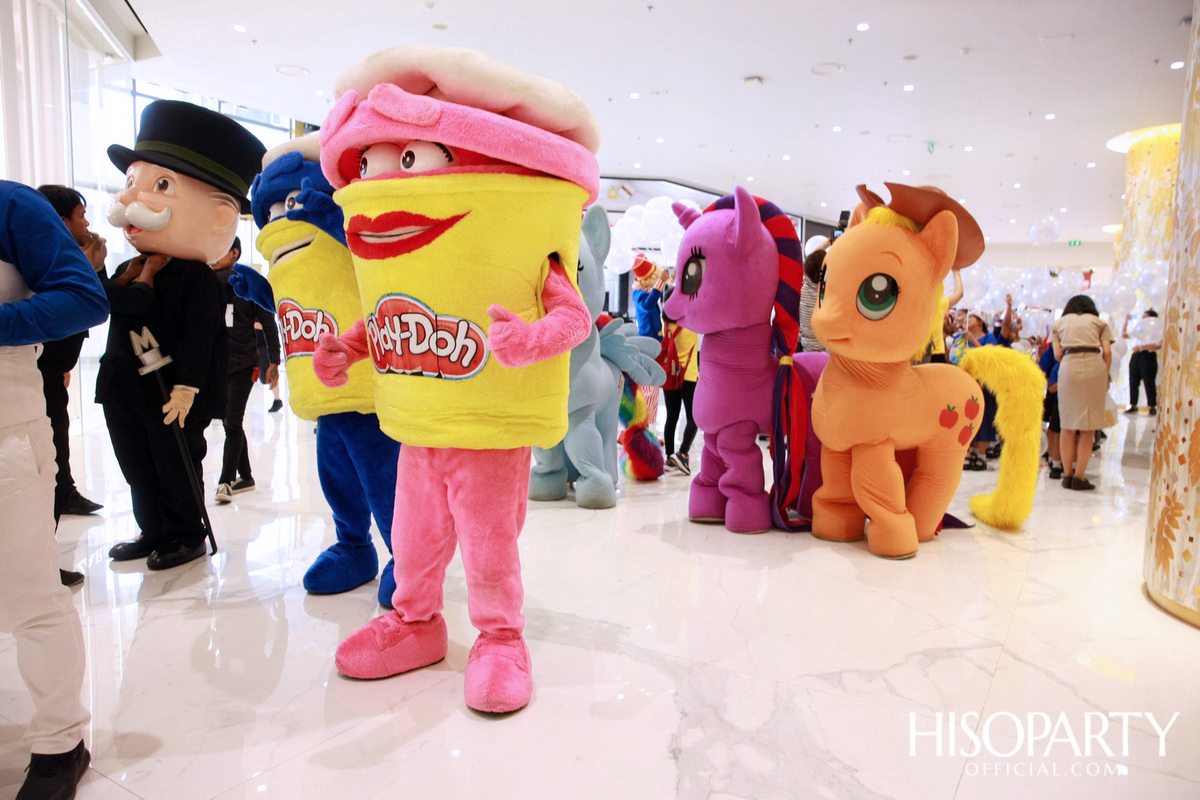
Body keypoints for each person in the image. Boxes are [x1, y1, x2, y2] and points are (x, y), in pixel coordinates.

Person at [99, 99, 263, 570]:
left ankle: (185, 533)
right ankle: (152, 530)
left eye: (160, 185)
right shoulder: (130, 268)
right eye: (131, 181)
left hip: (170, 391)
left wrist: (188, 386)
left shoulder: (196, 278)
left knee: (175, 463)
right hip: (125, 387)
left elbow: (200, 337)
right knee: (136, 464)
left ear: (220, 216)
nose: (130, 197)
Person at [0, 179, 109, 800]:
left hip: (7, 427)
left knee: (29, 590)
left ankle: (59, 742)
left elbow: (83, 298)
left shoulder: (10, 205)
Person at [33, 185, 107, 520]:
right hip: (37, 371)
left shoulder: (68, 256)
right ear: (62, 221)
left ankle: (63, 492)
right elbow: (71, 306)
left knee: (57, 434)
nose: (87, 223)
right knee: (46, 442)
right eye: (81, 216)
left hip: (53, 369)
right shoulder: (42, 257)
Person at [210, 237, 280, 503]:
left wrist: (274, 361)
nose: (213, 257)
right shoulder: (209, 283)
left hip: (244, 365)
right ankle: (246, 477)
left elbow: (269, 323)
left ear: (235, 253)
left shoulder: (247, 283)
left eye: (220, 251)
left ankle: (225, 482)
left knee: (232, 421)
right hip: (218, 366)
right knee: (230, 423)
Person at [1050, 294, 1114, 491]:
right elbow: (1107, 352)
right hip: (1095, 366)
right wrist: (1105, 375)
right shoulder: (1099, 323)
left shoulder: (1059, 324)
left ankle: (1067, 475)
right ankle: (1079, 476)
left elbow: (1057, 355)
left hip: (1069, 366)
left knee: (1067, 424)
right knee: (1089, 426)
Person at [950, 312, 999, 470]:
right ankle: (968, 452)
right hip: (967, 384)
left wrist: (973, 340)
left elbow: (990, 358)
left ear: (980, 321)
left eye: (970, 318)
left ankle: (981, 454)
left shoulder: (989, 337)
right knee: (967, 418)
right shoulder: (962, 338)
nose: (966, 320)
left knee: (984, 419)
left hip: (984, 385)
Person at [661, 292, 699, 474]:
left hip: (670, 374)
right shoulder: (691, 322)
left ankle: (669, 458)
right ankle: (683, 453)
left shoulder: (666, 323)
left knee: (672, 417)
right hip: (688, 375)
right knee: (694, 417)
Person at [1125, 309, 1161, 415]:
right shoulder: (1138, 330)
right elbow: (1124, 335)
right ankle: (1133, 405)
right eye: (1143, 317)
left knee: (1149, 382)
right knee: (1133, 381)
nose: (1143, 319)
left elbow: (1158, 345)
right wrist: (1126, 321)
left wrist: (1141, 347)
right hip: (1136, 356)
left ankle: (1152, 406)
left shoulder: (1157, 331)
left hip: (1148, 356)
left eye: (1146, 317)